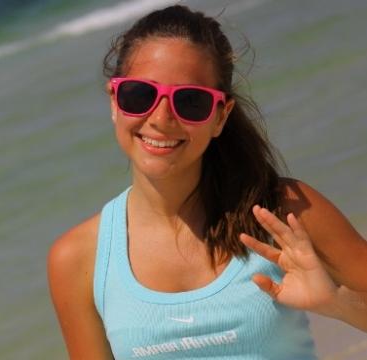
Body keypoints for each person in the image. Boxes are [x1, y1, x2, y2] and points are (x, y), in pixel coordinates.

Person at [47, 5, 367, 359]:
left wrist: (336, 305)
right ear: (115, 101)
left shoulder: (283, 213)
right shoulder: (78, 259)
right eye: (140, 95)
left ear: (220, 117)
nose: (161, 118)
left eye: (191, 102)